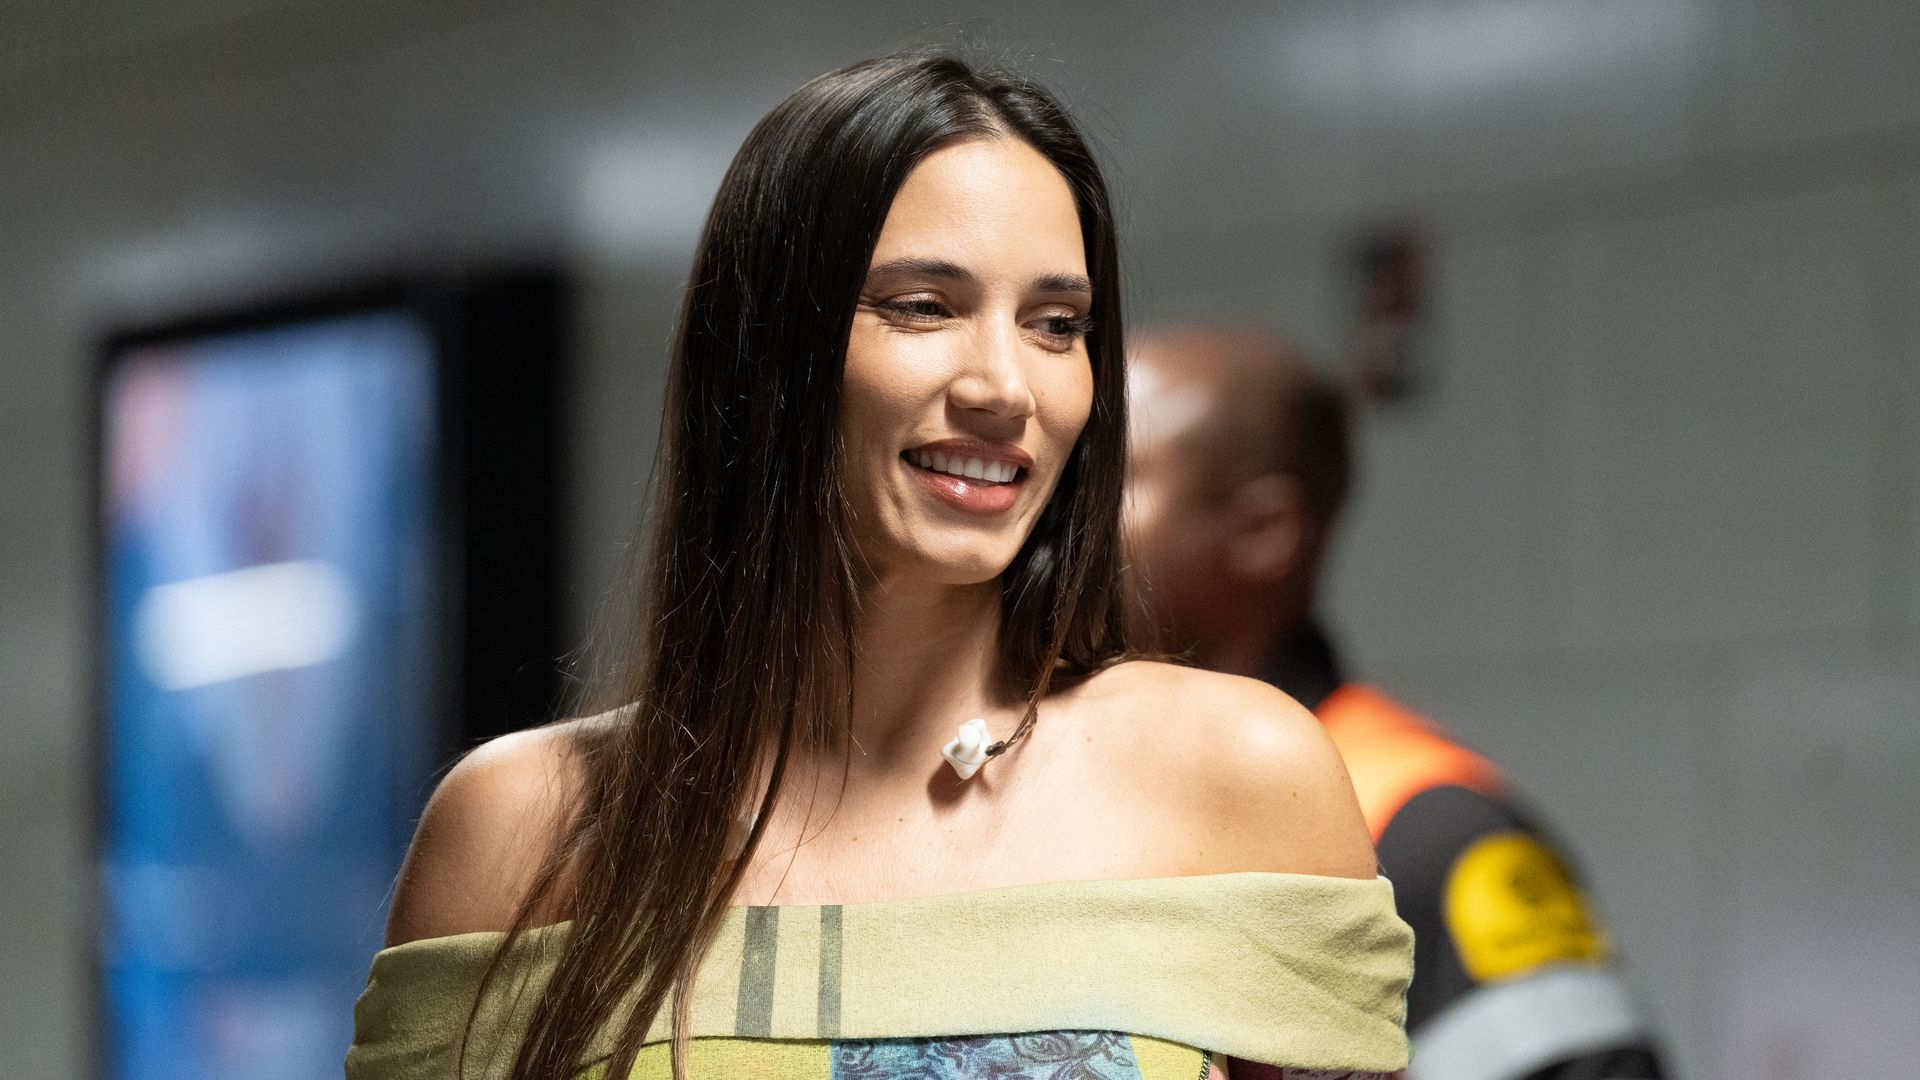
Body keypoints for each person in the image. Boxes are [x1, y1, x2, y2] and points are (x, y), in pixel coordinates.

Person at [344, 56, 1414, 1080]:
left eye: (1056, 324)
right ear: (766, 352)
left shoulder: (1239, 778)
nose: (1005, 386)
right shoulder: (522, 829)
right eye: (922, 306)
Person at [1125, 327, 1668, 1080]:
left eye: (1110, 482)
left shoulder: (1429, 827)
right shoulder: (1073, 800)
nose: (1061, 519)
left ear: (1263, 531)